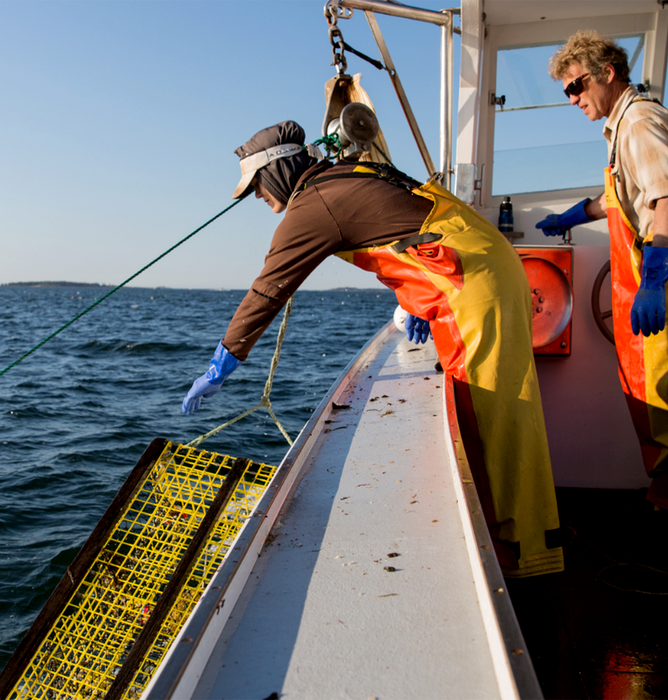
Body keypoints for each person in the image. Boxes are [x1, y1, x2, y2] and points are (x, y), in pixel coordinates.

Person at [184, 119, 564, 577]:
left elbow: (268, 289)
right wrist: (415, 302)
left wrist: (222, 361)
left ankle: (519, 555)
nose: (261, 201)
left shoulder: (313, 205)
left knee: (494, 417)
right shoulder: (346, 173)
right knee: (495, 411)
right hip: (480, 269)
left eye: (258, 188)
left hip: (471, 286)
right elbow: (405, 228)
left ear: (278, 171)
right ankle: (520, 543)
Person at [536, 30, 668, 511]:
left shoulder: (638, 122)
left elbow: (664, 197)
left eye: (576, 86)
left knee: (663, 396)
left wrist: (654, 279)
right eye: (566, 91)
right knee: (650, 397)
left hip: (656, 283)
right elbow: (620, 199)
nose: (572, 99)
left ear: (607, 74)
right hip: (640, 288)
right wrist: (575, 215)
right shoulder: (620, 129)